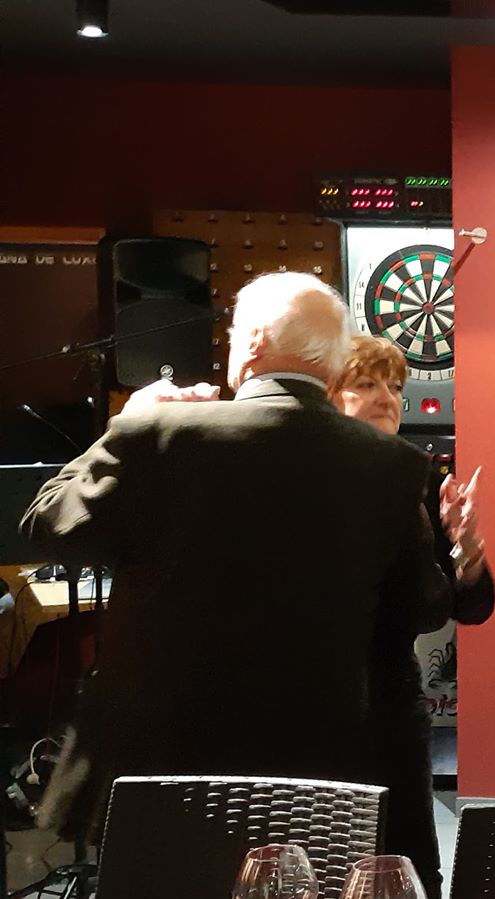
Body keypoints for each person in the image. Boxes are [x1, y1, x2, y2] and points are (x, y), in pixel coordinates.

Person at [21, 271, 449, 835]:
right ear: (332, 358)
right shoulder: (394, 464)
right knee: (298, 893)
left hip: (157, 765)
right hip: (318, 768)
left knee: (162, 894)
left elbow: (49, 526)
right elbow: (417, 606)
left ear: (253, 342)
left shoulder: (160, 431)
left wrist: (125, 423)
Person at [325, 333, 494, 899]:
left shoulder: (413, 479)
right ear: (329, 394)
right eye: (366, 384)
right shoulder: (317, 483)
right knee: (332, 872)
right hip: (322, 703)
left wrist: (464, 546)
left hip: (393, 705)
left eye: (395, 386)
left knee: (411, 869)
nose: (386, 398)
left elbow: (470, 606)